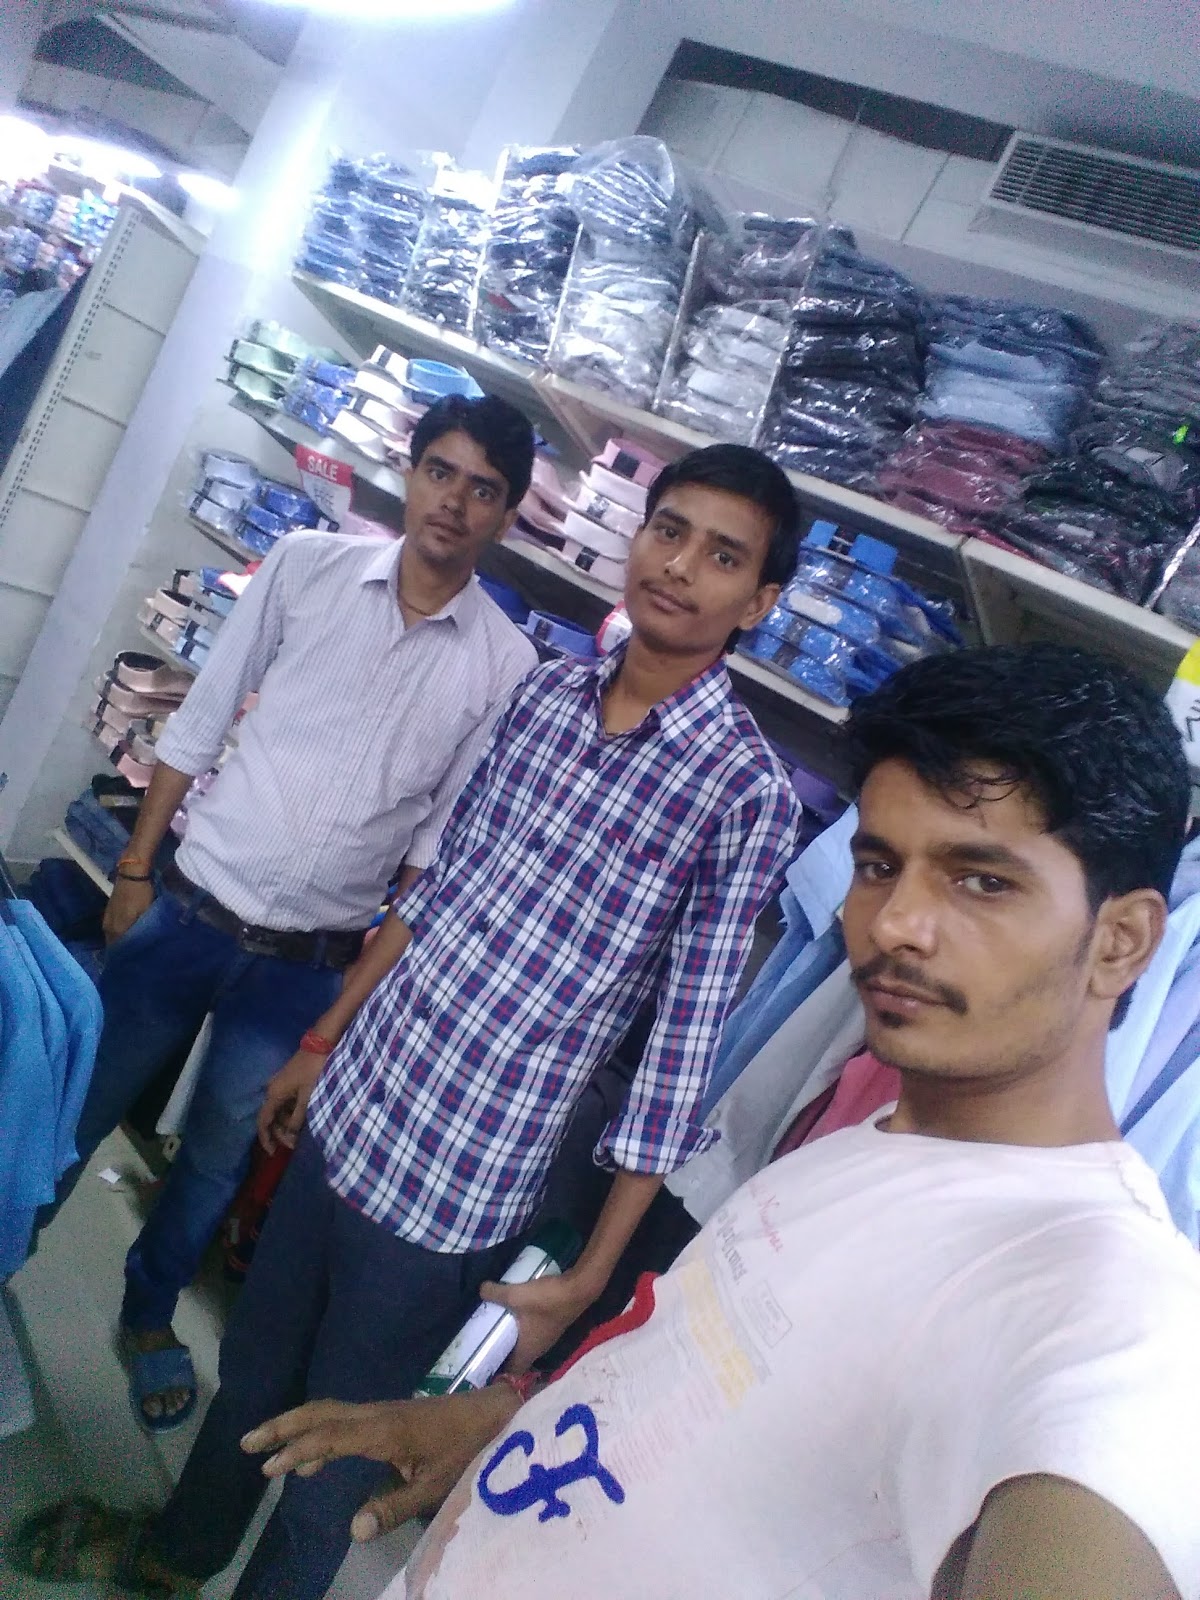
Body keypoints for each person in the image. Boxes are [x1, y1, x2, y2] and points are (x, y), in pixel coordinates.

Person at [240, 645, 1200, 1599]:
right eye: (878, 864)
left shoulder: (1110, 1304)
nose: (894, 923)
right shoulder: (855, 1151)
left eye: (981, 881)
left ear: (1121, 942)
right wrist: (513, 1416)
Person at [10, 443, 803, 1599]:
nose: (678, 566)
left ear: (761, 602)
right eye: (668, 530)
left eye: (722, 556)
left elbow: (679, 1057)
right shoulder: (545, 694)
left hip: (461, 1178)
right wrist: (324, 1038)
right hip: (360, 1100)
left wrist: (587, 1277)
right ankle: (176, 1557)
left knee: (344, 1456)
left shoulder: (744, 790)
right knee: (255, 1372)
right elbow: (438, 889)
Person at [39, 393, 539, 1432]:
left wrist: (334, 1022)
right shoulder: (309, 566)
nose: (454, 501)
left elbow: (435, 855)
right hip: (189, 910)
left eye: (483, 488)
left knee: (216, 1158)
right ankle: (9, 1247)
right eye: (440, 472)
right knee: (76, 1107)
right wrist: (133, 869)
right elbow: (201, 716)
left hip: (304, 964)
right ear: (410, 472)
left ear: (506, 512)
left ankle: (146, 1314)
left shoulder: (505, 666)